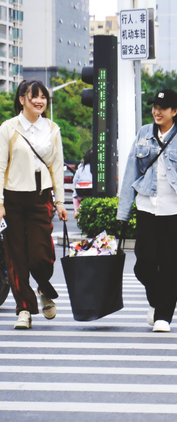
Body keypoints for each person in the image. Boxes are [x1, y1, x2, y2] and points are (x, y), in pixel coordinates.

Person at [117, 89, 177, 333]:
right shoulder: (144, 134)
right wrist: (123, 211)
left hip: (176, 212)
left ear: (174, 111)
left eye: (163, 108)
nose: (157, 111)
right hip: (147, 208)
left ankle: (163, 317)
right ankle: (157, 302)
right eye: (155, 107)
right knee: (144, 263)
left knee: (172, 266)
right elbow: (130, 173)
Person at [0, 80, 68, 330]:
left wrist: (60, 201)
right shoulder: (8, 128)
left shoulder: (52, 128)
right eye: (33, 97)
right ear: (21, 99)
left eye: (43, 97)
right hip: (13, 199)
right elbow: (0, 166)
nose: (39, 101)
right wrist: (0, 203)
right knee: (15, 256)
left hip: (41, 197)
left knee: (41, 254)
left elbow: (57, 167)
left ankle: (43, 286)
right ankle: (24, 309)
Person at [72, 149, 93, 217]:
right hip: (91, 189)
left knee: (75, 196)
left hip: (80, 190)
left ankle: (76, 210)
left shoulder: (81, 168)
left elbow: (75, 180)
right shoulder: (96, 168)